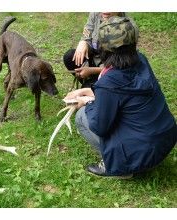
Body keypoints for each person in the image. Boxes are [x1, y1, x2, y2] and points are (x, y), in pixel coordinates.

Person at [64, 16, 177, 178]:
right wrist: (92, 92)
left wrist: (85, 103)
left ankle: (121, 167)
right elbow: (124, 94)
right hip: (165, 140)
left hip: (141, 154)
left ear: (103, 48)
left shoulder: (110, 81)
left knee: (82, 117)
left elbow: (99, 126)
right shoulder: (141, 60)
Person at [63, 12, 131, 88]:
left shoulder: (126, 28)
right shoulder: (96, 13)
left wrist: (91, 70)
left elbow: (119, 68)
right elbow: (88, 30)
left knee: (87, 90)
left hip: (112, 70)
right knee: (70, 56)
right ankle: (91, 83)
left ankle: (94, 85)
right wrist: (83, 41)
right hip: (96, 59)